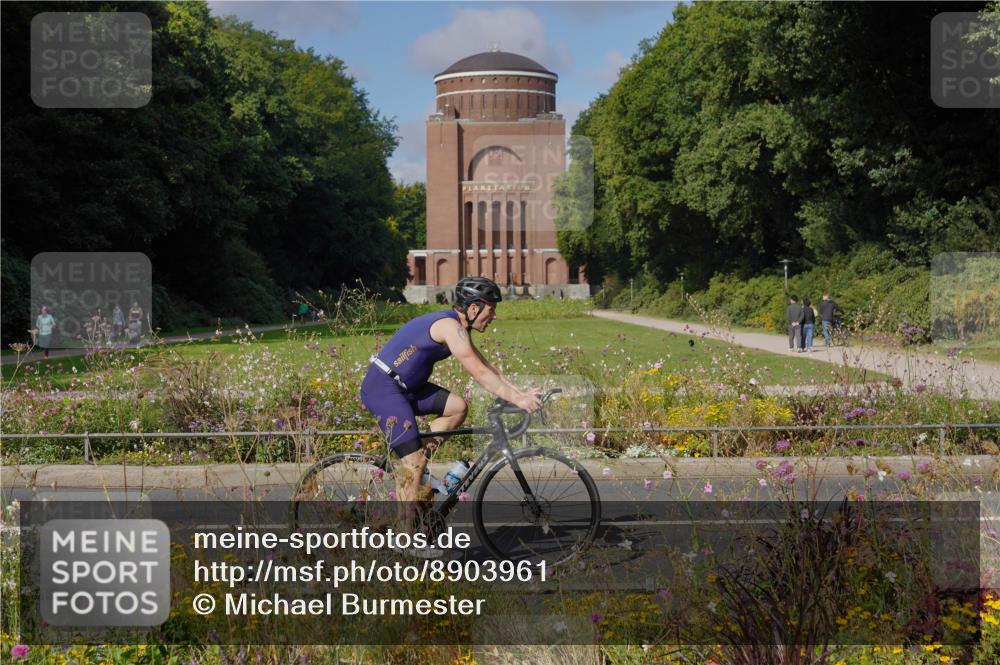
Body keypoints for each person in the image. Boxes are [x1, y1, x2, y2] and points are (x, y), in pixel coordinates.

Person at [360, 277, 541, 548]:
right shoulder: (449, 327)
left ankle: (414, 471)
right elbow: (477, 372)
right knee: (415, 463)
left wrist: (521, 394)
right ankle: (405, 539)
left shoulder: (458, 328)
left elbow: (487, 366)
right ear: (473, 308)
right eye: (491, 309)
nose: (494, 316)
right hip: (384, 388)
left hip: (408, 388)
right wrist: (517, 399)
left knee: (458, 407)